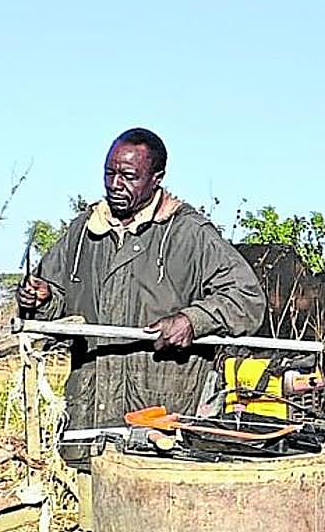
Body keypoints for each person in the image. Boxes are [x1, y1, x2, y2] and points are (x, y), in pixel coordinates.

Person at [17, 127, 267, 458]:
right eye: (110, 173)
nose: (115, 185)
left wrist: (193, 320)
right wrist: (42, 300)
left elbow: (246, 299)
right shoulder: (82, 233)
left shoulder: (188, 233)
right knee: (93, 508)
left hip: (160, 428)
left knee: (159, 507)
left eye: (129, 176)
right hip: (90, 424)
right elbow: (58, 309)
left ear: (156, 178)